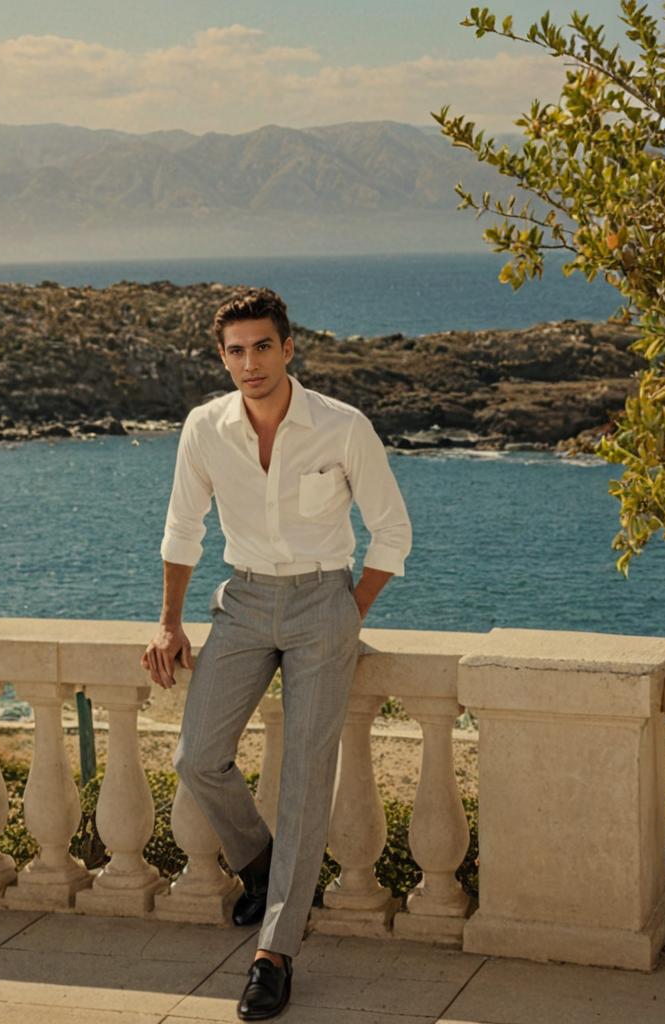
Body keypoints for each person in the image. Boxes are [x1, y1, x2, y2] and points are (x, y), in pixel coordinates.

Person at [141, 286, 412, 1021]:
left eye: (263, 346)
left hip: (324, 602)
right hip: (245, 600)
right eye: (236, 350)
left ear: (289, 349)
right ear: (222, 357)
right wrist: (169, 622)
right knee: (197, 756)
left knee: (304, 780)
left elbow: (393, 532)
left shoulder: (342, 426)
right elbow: (181, 531)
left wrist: (346, 612)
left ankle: (275, 953)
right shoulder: (205, 428)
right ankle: (262, 863)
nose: (250, 362)